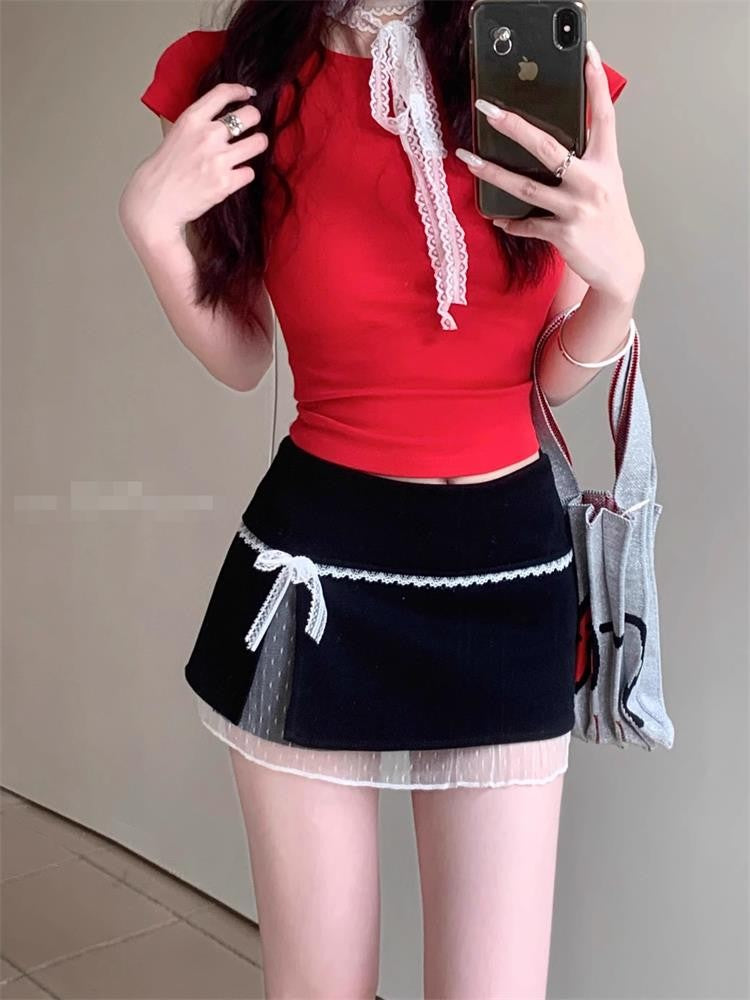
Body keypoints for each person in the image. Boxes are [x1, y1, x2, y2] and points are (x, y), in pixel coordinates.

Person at [119, 1, 641, 996]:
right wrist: (153, 230)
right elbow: (244, 357)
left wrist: (619, 288)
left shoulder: (534, 69)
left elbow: (547, 372)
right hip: (311, 579)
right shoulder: (235, 77)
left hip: (506, 577)